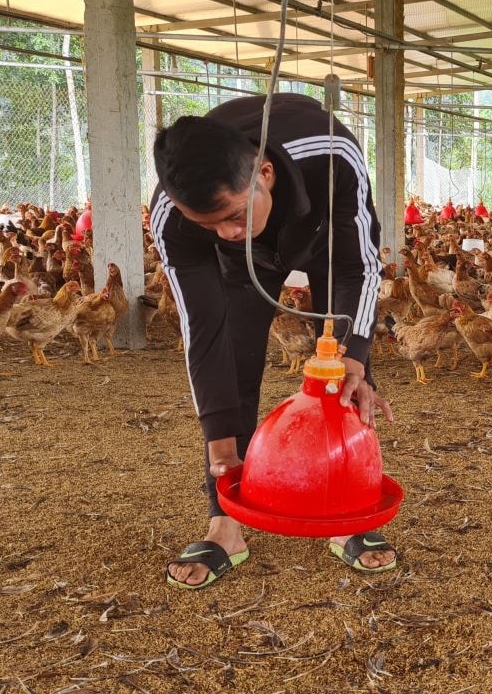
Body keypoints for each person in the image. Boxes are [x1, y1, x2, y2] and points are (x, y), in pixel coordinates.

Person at [150, 93, 397, 590]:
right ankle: (225, 523)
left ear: (263, 173)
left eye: (235, 214)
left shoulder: (332, 157)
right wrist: (221, 451)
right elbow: (205, 332)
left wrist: (355, 358)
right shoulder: (174, 219)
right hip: (249, 270)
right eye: (209, 224)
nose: (228, 232)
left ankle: (348, 510)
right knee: (235, 357)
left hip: (325, 236)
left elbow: (359, 266)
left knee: (343, 371)